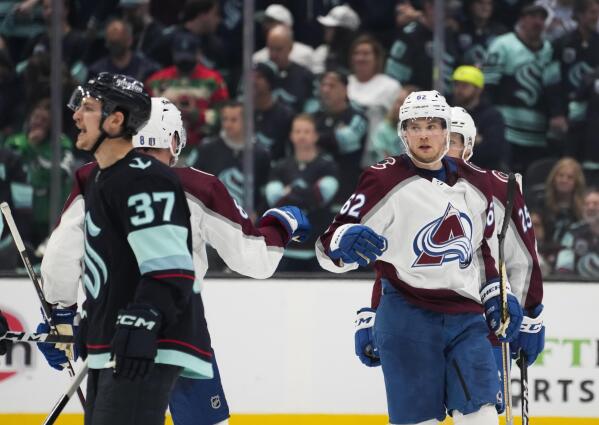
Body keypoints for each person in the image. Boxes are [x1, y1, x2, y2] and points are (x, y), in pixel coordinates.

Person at [37, 96, 310, 425]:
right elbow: (255, 260)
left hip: (108, 327)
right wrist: (281, 224)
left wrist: (58, 311)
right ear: (175, 140)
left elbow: (61, 253)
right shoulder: (199, 186)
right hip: (179, 326)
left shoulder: (94, 178)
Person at [316, 90, 523, 424]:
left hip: (466, 319)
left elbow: (481, 250)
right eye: (415, 126)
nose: (424, 134)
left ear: (446, 131)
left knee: (481, 415)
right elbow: (328, 246)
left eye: (432, 125)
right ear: (403, 133)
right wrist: (341, 241)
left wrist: (498, 291)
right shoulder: (382, 179)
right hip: (407, 317)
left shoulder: (476, 182)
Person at [40, 72, 200, 425]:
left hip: (145, 344)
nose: (76, 116)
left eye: (88, 108)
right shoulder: (101, 179)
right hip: (113, 342)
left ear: (115, 120)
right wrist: (79, 322)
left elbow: (171, 268)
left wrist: (143, 320)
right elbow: (113, 271)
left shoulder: (144, 176)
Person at [446, 106, 545, 412]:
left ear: (469, 146)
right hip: (420, 314)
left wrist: (531, 312)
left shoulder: (499, 187)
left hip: (482, 316)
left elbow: (523, 255)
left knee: (480, 410)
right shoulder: (406, 188)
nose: (443, 146)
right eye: (440, 137)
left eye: (454, 140)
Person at [265, 114, 338, 271]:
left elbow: (320, 198)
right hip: (286, 250)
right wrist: (307, 192)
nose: (302, 136)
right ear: (291, 136)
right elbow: (275, 200)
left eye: (306, 131)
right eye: (297, 131)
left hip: (318, 250)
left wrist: (291, 191)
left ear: (315, 136)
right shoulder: (280, 167)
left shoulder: (327, 166)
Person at [555, 187, 599, 277]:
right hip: (579, 285)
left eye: (595, 204)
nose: (590, 207)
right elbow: (563, 267)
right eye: (586, 204)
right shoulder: (573, 232)